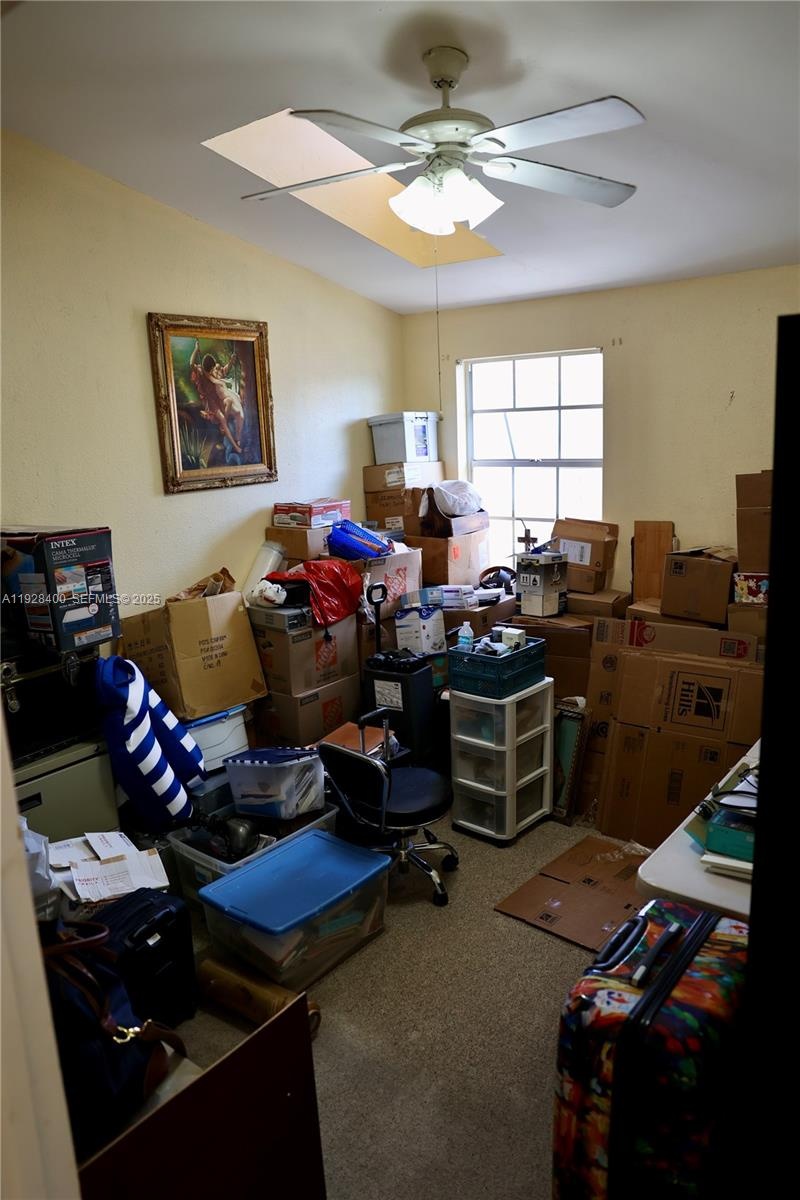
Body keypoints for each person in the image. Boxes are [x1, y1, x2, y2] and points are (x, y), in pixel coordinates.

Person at [189, 340, 243, 455]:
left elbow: (224, 371)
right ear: (207, 369)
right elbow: (191, 363)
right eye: (211, 369)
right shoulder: (201, 372)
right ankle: (235, 446)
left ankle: (226, 429)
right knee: (222, 419)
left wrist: (231, 362)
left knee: (229, 403)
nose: (213, 371)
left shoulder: (214, 371)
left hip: (218, 399)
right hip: (211, 403)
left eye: (214, 368)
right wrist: (196, 349)